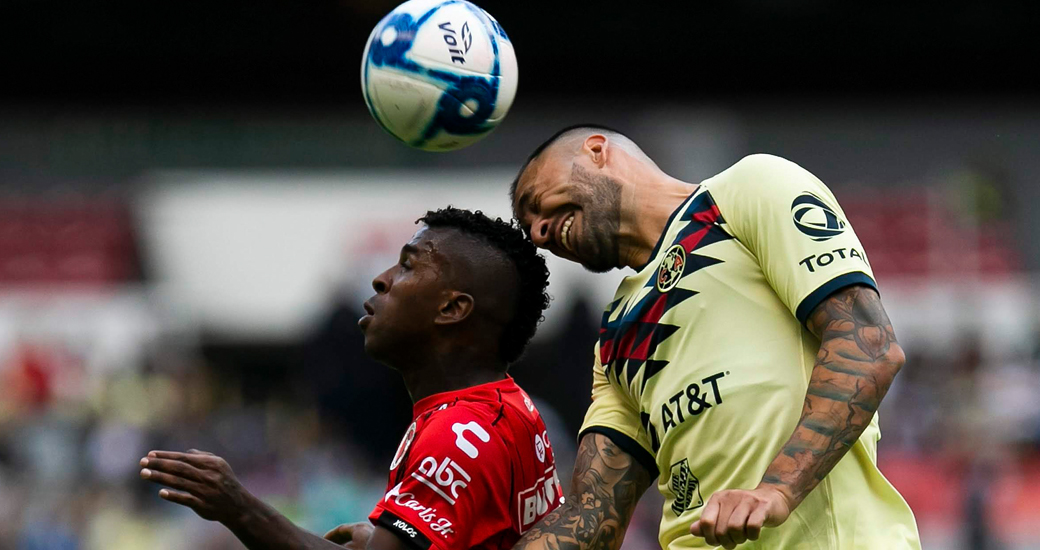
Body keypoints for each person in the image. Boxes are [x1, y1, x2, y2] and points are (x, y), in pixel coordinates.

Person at [509, 125, 921, 549]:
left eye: (537, 203)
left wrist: (776, 490)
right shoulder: (615, 333)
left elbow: (868, 345)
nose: (538, 233)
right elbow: (590, 517)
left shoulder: (746, 190)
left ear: (596, 151)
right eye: (530, 227)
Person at [139, 207, 564, 550]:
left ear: (452, 309)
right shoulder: (509, 408)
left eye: (408, 266)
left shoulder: (456, 434)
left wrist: (237, 506)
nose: (381, 279)